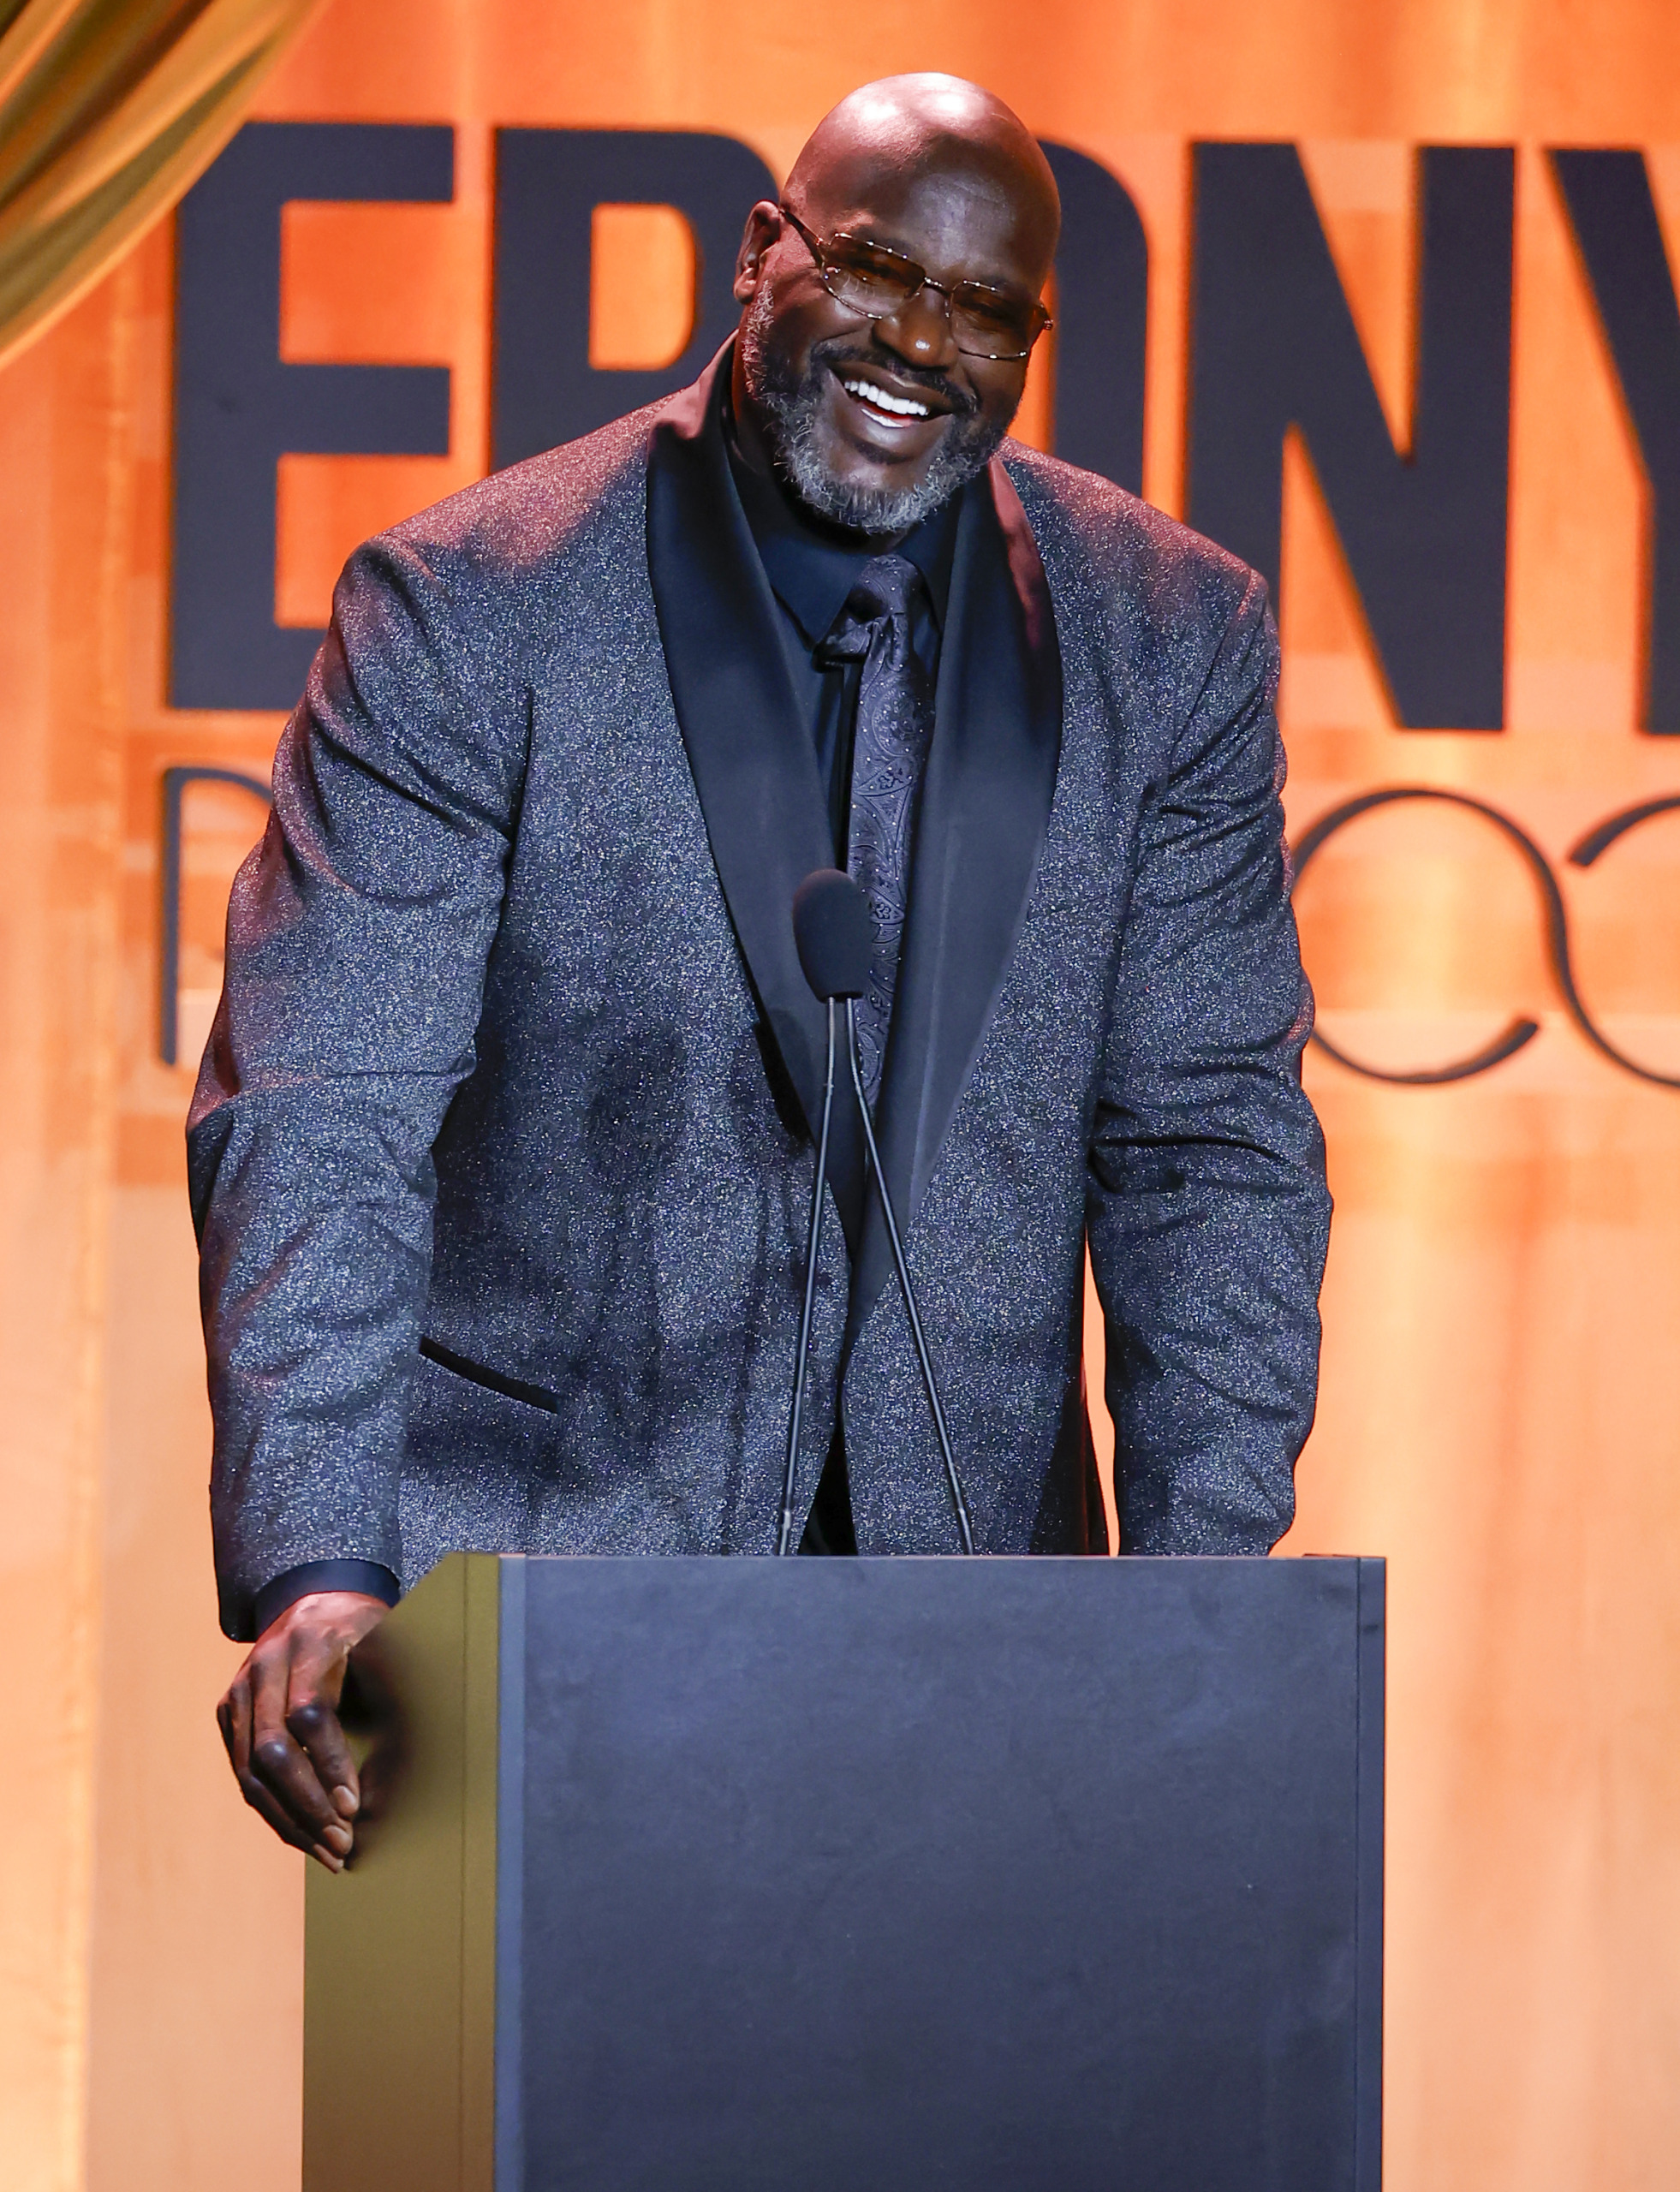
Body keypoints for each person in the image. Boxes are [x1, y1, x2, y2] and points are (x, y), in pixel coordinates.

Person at [194, 74, 1331, 1870]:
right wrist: (322, 1563)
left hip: (984, 1621)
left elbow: (1208, 1143)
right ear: (759, 254)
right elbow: (325, 1110)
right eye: (878, 270)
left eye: (985, 311)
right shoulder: (470, 608)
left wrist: (1199, 1596)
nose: (920, 344)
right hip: (536, 1605)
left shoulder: (1170, 636)